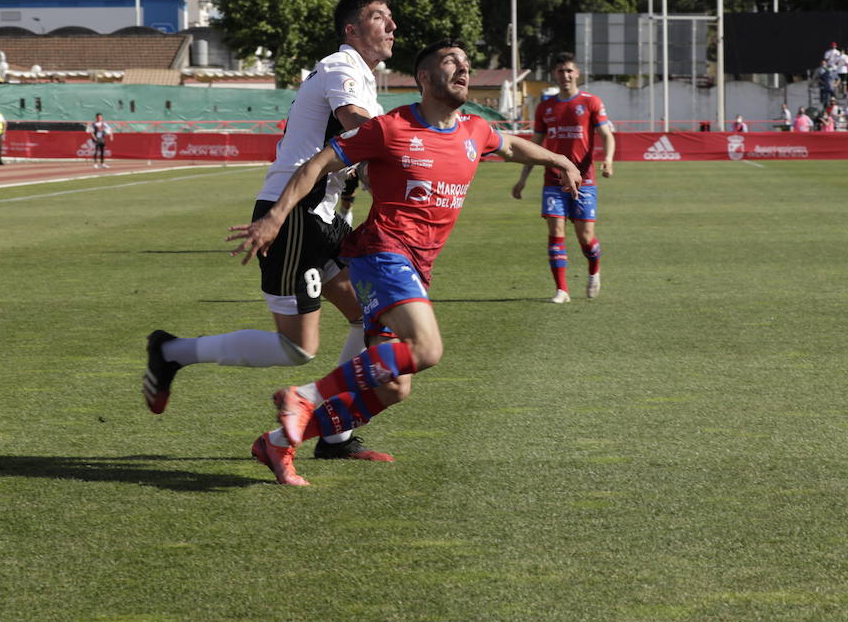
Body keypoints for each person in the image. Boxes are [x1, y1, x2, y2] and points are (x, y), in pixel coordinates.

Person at [228, 40, 584, 485]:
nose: (463, 68)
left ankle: (278, 443)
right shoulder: (389, 127)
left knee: (393, 386)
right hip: (383, 252)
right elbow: (319, 162)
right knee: (427, 349)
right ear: (424, 78)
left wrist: (558, 158)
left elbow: (510, 146)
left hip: (416, 266)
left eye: (466, 63)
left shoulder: (475, 130)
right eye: (450, 61)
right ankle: (303, 396)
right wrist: (276, 217)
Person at [143, 0, 398, 463]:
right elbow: (355, 126)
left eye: (390, 18)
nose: (392, 26)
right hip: (294, 212)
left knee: (375, 318)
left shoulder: (361, 76)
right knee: (298, 348)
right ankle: (172, 351)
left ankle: (335, 437)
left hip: (324, 218)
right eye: (380, 17)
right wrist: (410, 151)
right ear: (352, 29)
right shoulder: (341, 68)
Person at [510, 53, 614, 303]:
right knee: (555, 230)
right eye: (560, 71)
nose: (565, 75)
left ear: (577, 73)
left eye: (569, 71)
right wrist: (523, 177)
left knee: (585, 237)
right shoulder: (545, 107)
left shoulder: (591, 102)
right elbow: (535, 144)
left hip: (584, 180)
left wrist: (608, 160)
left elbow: (607, 135)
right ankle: (562, 290)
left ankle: (594, 271)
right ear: (554, 75)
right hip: (553, 182)